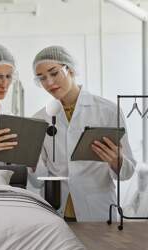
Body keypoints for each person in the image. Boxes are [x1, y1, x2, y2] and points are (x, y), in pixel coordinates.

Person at [29, 45, 136, 222]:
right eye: (42, 78)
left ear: (70, 69)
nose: (48, 83)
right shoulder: (40, 119)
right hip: (57, 214)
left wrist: (117, 162)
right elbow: (39, 180)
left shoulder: (108, 111)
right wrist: (31, 163)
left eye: (54, 73)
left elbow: (127, 172)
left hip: (97, 212)